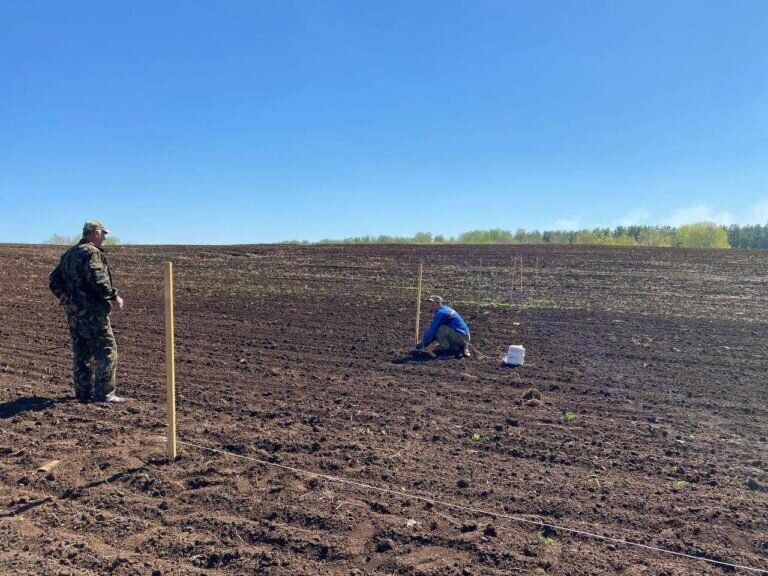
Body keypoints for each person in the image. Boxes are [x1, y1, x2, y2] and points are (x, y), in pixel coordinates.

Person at [49, 220, 126, 403]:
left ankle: (82, 394)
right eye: (103, 233)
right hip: (92, 312)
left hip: (74, 314)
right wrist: (114, 297)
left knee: (81, 351)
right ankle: (104, 394)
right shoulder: (91, 252)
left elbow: (54, 279)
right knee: (106, 349)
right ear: (96, 233)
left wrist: (62, 294)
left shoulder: (69, 254)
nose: (105, 237)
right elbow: (98, 280)